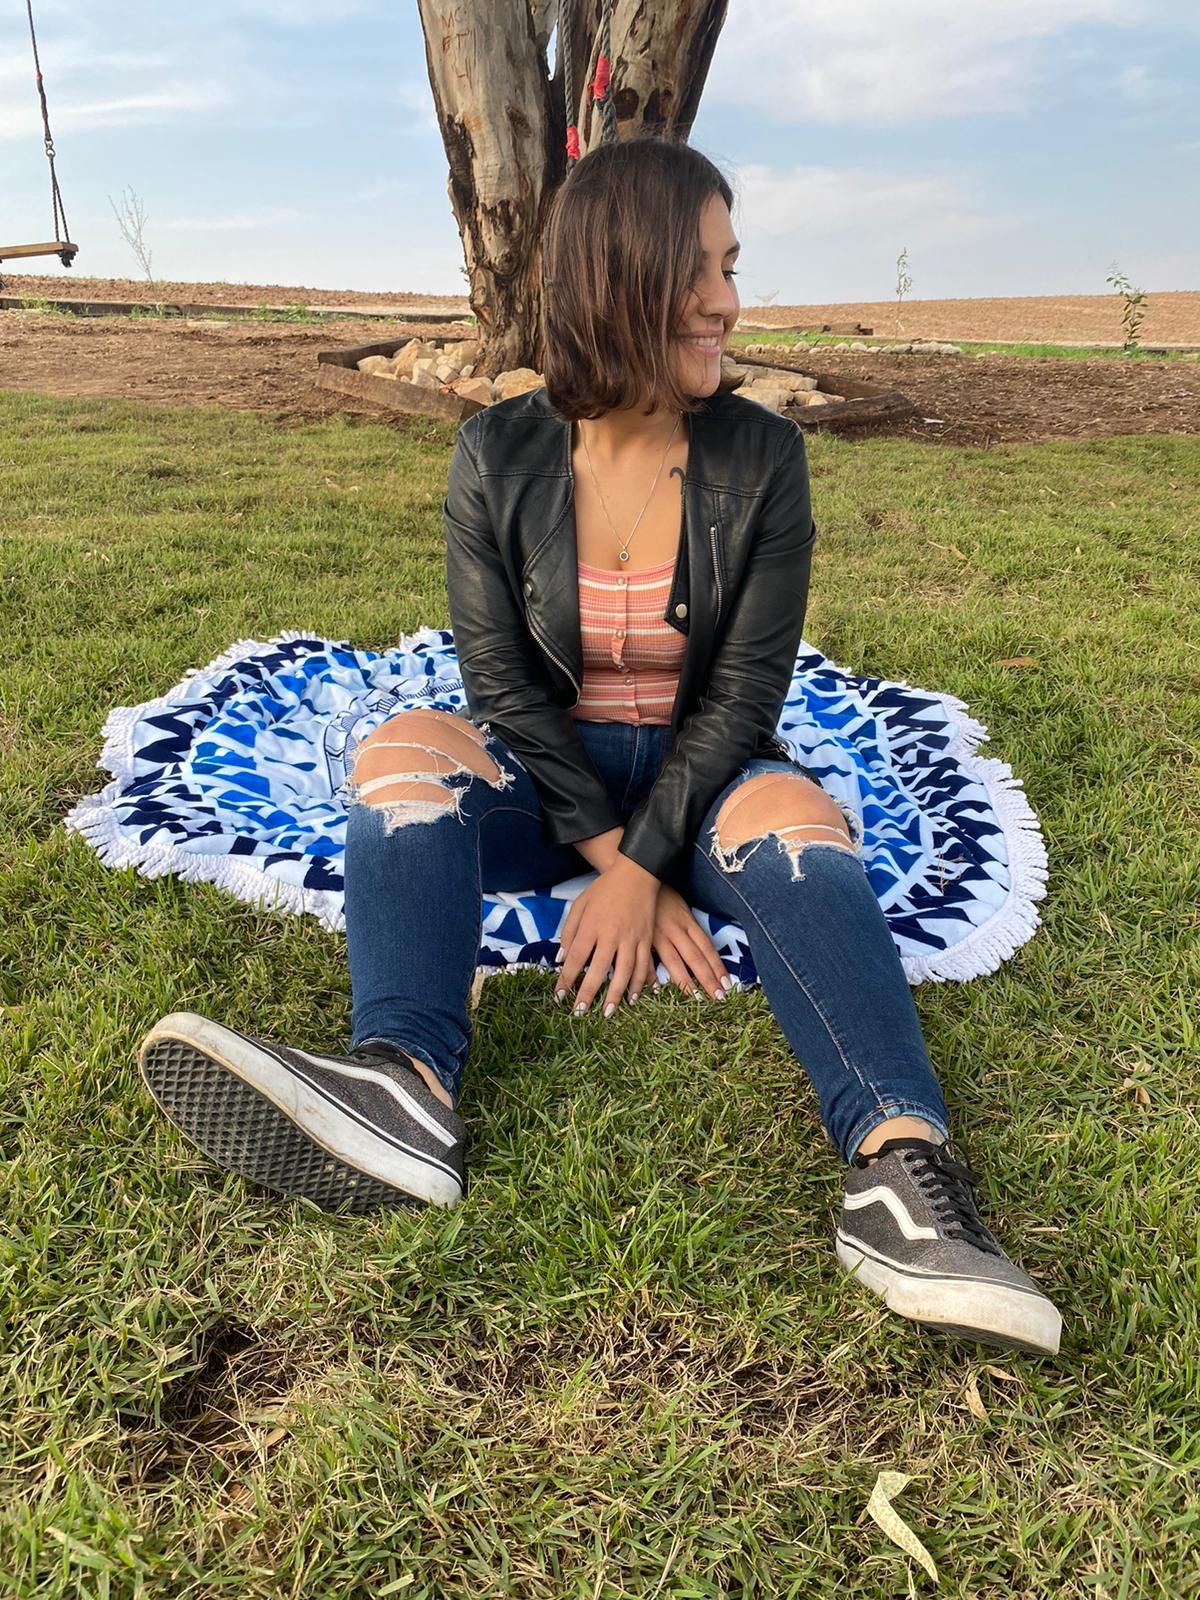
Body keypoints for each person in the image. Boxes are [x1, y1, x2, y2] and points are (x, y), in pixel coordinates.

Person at [138, 138, 1061, 1356]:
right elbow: (501, 685)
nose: (729, 302)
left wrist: (649, 864)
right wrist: (612, 860)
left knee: (801, 822)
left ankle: (903, 1178)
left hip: (710, 771)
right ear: (619, 278)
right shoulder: (496, 455)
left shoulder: (765, 460)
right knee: (403, 748)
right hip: (548, 776)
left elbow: (743, 696)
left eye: (732, 267)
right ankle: (403, 1086)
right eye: (701, 271)